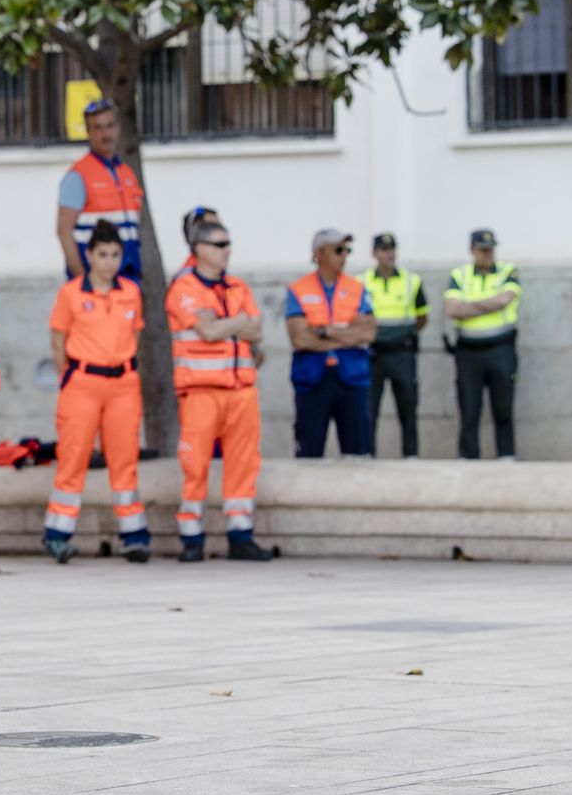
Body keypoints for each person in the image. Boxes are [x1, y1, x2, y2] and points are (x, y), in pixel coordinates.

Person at [165, 220, 274, 562]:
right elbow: (207, 332)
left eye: (229, 243)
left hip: (241, 390)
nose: (227, 250)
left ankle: (240, 535)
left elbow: (256, 329)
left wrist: (227, 324)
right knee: (195, 465)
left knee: (243, 463)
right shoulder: (184, 289)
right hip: (201, 392)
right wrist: (235, 324)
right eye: (219, 244)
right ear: (199, 249)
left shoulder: (238, 287)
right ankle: (192, 538)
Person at [42, 220, 150, 564]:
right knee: (73, 458)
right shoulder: (72, 293)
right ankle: (57, 534)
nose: (109, 262)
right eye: (102, 254)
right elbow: (58, 340)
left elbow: (134, 337)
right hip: (82, 383)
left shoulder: (131, 292)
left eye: (115, 255)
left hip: (123, 384)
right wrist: (70, 377)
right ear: (89, 255)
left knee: (124, 458)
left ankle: (133, 536)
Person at [285, 229, 377, 458]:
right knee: (309, 450)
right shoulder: (298, 289)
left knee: (358, 451)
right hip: (312, 378)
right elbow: (299, 338)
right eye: (338, 250)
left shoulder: (357, 288)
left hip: (352, 377)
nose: (344, 255)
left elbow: (368, 333)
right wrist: (347, 333)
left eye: (347, 250)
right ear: (319, 253)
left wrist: (323, 331)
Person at [446, 229, 521, 460]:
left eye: (490, 249)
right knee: (469, 409)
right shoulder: (460, 274)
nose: (488, 253)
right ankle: (468, 458)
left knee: (503, 408)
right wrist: (488, 304)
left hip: (501, 348)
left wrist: (468, 307)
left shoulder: (508, 271)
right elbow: (452, 308)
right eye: (482, 249)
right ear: (472, 250)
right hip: (469, 351)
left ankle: (506, 456)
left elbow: (504, 300)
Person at [56, 99, 144, 284]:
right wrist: (82, 282)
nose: (106, 134)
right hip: (94, 281)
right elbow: (64, 231)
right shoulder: (78, 176)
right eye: (98, 128)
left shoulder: (127, 173)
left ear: (118, 128)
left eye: (110, 126)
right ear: (88, 132)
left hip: (128, 279)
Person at [361, 233, 429, 458]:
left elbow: (422, 317)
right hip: (373, 354)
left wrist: (403, 335)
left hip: (402, 352)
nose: (389, 253)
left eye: (392, 249)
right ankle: (368, 454)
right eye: (383, 249)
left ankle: (411, 456)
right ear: (374, 253)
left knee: (408, 407)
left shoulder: (412, 280)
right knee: (369, 409)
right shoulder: (361, 282)